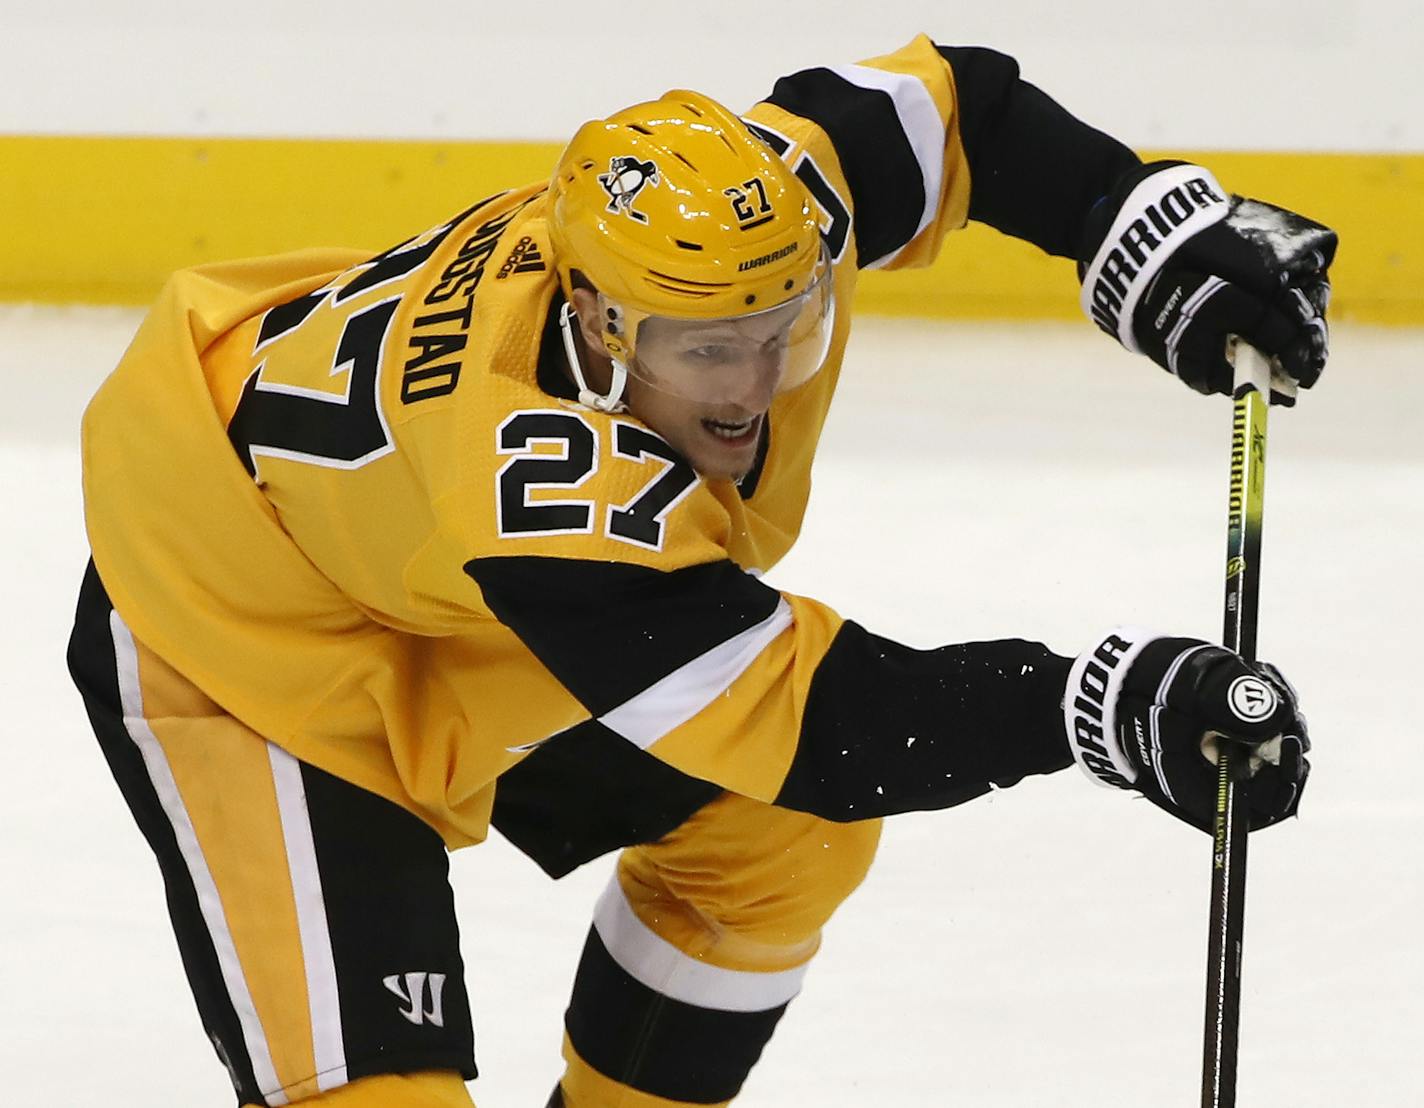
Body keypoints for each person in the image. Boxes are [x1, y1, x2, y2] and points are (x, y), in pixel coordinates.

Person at [67, 34, 1330, 1108]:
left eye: (784, 329)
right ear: (598, 321)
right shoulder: (534, 480)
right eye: (708, 350)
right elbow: (816, 719)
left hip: (422, 565)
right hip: (234, 622)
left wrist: (1134, 221)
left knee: (780, 836)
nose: (754, 385)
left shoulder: (753, 224)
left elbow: (955, 112)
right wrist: (1087, 703)